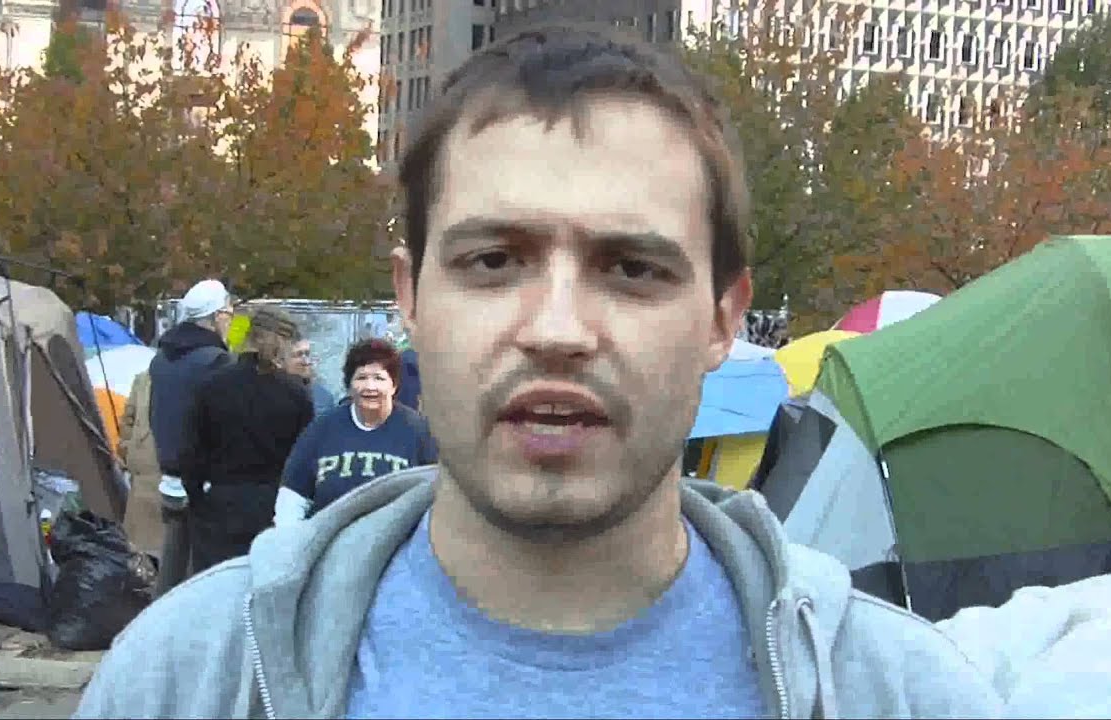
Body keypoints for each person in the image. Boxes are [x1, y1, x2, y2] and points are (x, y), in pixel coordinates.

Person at [74, 25, 1001, 719]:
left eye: (632, 269)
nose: (557, 330)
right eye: (493, 262)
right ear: (411, 297)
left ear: (724, 316)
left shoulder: (902, 696)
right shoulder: (184, 680)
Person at [180, 306, 315, 574]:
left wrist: (197, 498)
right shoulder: (295, 393)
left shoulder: (211, 387)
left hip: (220, 505)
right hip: (273, 505)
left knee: (217, 591)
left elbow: (191, 453)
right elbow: (305, 459)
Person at [273, 339, 437, 526]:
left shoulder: (418, 431)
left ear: (394, 386)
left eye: (379, 378)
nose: (370, 386)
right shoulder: (323, 428)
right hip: (331, 543)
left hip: (397, 547)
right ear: (349, 385)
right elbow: (293, 496)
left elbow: (437, 496)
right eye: (361, 378)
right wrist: (291, 542)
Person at [146, 278, 234, 591]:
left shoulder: (161, 359)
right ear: (214, 317)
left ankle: (158, 628)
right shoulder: (216, 362)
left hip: (168, 474)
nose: (230, 318)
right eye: (227, 312)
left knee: (171, 564)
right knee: (203, 574)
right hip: (203, 480)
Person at [118, 369, 162, 558]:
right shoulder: (143, 379)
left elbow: (128, 421)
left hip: (151, 475)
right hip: (147, 476)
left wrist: (129, 450)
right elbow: (128, 421)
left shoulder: (145, 378)